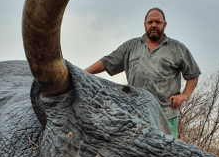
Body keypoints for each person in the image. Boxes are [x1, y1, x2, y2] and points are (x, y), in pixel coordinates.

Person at [85, 8, 201, 138]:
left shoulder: (177, 48)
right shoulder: (130, 46)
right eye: (150, 22)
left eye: (158, 22)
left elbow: (193, 74)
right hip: (135, 114)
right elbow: (107, 62)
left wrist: (184, 95)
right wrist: (82, 73)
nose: (154, 25)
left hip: (165, 115)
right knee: (134, 153)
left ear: (165, 25)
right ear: (144, 24)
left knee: (165, 154)